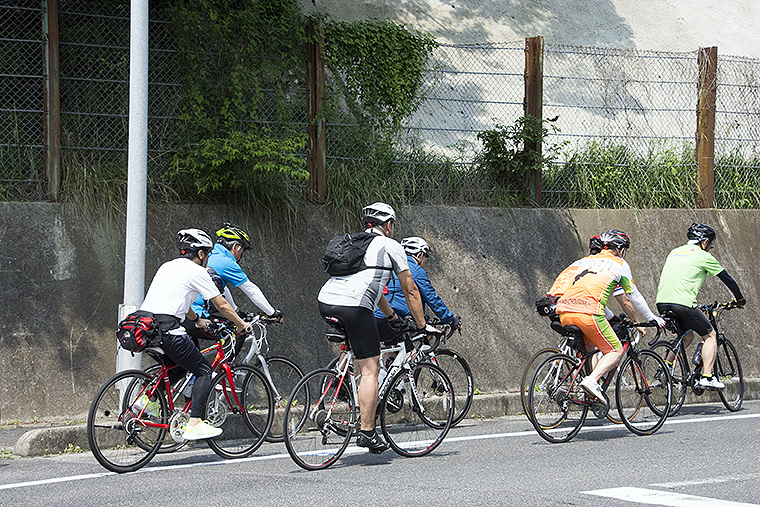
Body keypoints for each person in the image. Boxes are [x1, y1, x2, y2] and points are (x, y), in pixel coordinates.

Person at [317, 203, 435, 453]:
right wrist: (422, 325)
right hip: (354, 307)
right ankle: (367, 432)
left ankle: (341, 384)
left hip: (326, 302)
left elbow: (374, 288)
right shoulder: (391, 246)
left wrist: (391, 317)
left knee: (356, 351)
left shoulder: (356, 244)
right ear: (388, 225)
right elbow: (410, 289)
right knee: (371, 368)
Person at [139, 228, 253, 440]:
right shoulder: (199, 272)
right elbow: (221, 304)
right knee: (204, 370)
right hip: (169, 330)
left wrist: (197, 319)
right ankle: (194, 423)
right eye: (207, 254)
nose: (208, 258)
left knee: (180, 366)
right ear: (200, 253)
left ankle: (148, 399)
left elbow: (180, 302)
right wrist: (241, 324)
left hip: (146, 328)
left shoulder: (167, 266)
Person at [553, 230, 664, 405]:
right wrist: (652, 317)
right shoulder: (619, 264)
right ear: (620, 248)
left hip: (564, 312)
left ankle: (588, 394)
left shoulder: (583, 261)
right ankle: (591, 381)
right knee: (615, 351)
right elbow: (632, 295)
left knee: (590, 350)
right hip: (589, 314)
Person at [655, 223, 746, 389]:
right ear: (704, 241)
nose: (710, 247)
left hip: (662, 302)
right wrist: (739, 299)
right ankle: (707, 377)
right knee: (710, 336)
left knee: (687, 336)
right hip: (683, 303)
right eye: (710, 244)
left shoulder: (674, 252)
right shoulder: (703, 256)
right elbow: (728, 280)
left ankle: (665, 368)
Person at [187, 223, 283, 354]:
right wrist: (272, 313)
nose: (242, 253)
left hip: (184, 312)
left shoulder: (212, 256)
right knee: (239, 330)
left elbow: (221, 289)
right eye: (243, 249)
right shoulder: (227, 262)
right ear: (235, 246)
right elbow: (251, 290)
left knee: (193, 362)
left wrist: (236, 311)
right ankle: (227, 367)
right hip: (195, 314)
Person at [373, 237, 461, 345]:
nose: (424, 261)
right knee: (410, 352)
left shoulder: (391, 266)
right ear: (419, 255)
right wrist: (450, 319)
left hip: (374, 315)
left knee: (391, 351)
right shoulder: (415, 271)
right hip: (390, 320)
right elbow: (431, 298)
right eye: (425, 257)